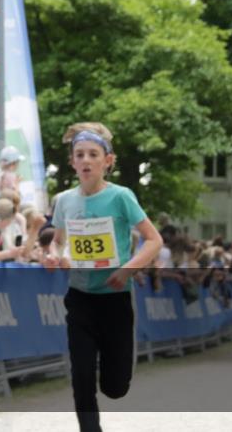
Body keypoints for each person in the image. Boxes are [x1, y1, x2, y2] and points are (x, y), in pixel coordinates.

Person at [45, 122, 162, 432]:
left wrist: (127, 269)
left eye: (93, 154)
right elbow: (58, 241)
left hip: (115, 300)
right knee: (81, 377)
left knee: (115, 387)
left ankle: (116, 373)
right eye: (79, 154)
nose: (85, 160)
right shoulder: (65, 201)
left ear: (107, 161)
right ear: (72, 162)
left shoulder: (121, 197)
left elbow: (154, 240)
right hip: (80, 299)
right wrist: (56, 255)